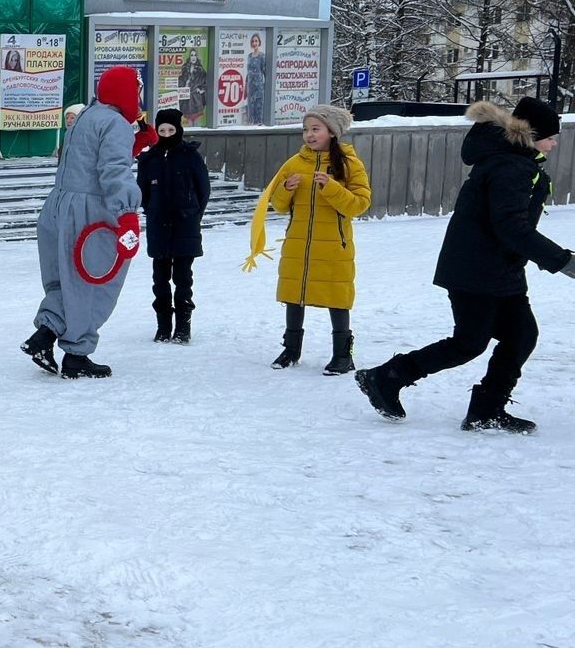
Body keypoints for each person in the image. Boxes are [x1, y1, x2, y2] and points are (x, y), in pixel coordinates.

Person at [357, 97, 575, 432]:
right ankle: (387, 376)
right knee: (469, 343)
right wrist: (563, 261)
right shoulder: (511, 167)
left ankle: (486, 410)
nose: (555, 141)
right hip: (478, 269)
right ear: (532, 135)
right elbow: (510, 227)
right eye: (550, 135)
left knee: (521, 336)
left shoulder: (515, 161)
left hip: (498, 269)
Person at [21, 65, 144, 379]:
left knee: (64, 279)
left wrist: (138, 143)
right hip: (90, 212)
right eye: (137, 90)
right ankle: (76, 354)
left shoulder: (85, 117)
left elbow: (89, 158)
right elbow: (114, 171)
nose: (140, 97)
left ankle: (45, 334)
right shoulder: (115, 123)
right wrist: (127, 214)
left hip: (58, 206)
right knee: (92, 282)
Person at [243, 104, 371, 374]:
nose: (309, 135)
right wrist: (286, 191)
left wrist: (332, 187)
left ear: (332, 132)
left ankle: (343, 354)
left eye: (316, 129)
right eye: (305, 129)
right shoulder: (294, 163)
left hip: (335, 245)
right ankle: (291, 349)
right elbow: (277, 205)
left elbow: (359, 205)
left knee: (337, 297)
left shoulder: (349, 163)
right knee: (293, 294)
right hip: (298, 242)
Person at [138, 108, 211, 343]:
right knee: (160, 280)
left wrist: (192, 214)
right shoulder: (149, 159)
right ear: (157, 131)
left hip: (185, 226)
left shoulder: (190, 156)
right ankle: (163, 326)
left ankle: (182, 327)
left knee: (183, 279)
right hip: (159, 226)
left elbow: (203, 190)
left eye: (171, 129)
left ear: (179, 130)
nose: (167, 134)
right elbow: (143, 192)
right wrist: (152, 210)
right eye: (162, 130)